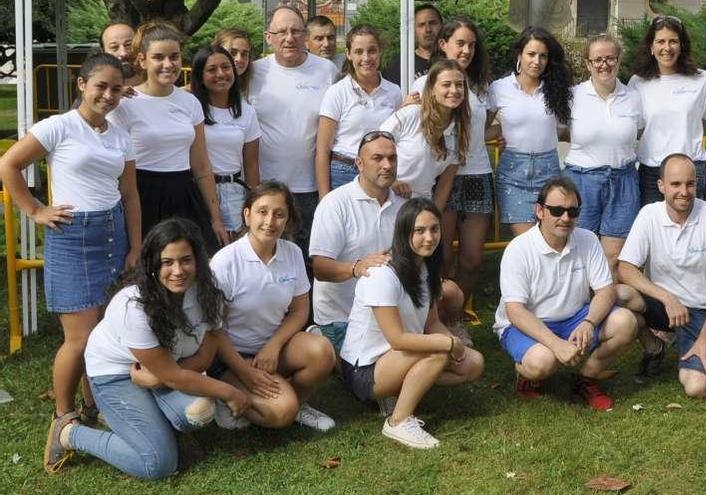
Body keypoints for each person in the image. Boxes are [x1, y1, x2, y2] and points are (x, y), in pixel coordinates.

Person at [0, 54, 142, 448]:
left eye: (116, 88)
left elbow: (129, 194)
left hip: (113, 234)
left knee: (105, 332)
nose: (109, 95)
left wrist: (135, 244)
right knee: (78, 339)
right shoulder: (58, 127)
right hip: (72, 236)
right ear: (81, 84)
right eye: (101, 86)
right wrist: (35, 210)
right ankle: (63, 417)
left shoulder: (118, 134)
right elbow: (8, 164)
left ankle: (95, 405)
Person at [43, 218, 252, 479]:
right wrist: (229, 392)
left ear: (198, 260)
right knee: (157, 464)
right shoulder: (133, 306)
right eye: (167, 262)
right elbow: (174, 375)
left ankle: (160, 428)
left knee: (199, 410)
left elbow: (206, 355)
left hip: (162, 370)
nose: (178, 270)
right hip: (116, 374)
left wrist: (159, 377)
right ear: (153, 264)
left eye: (186, 260)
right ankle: (69, 434)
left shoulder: (207, 292)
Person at [340, 197, 484, 449]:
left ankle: (396, 394)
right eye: (419, 230)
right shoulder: (382, 274)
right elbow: (397, 338)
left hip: (398, 357)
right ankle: (398, 422)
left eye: (434, 229)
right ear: (404, 232)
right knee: (437, 352)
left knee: (473, 364)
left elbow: (432, 323)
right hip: (363, 370)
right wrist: (446, 342)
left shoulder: (425, 267)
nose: (429, 237)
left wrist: (453, 343)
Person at [311, 130, 464, 357]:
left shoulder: (404, 204)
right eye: (378, 158)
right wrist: (356, 267)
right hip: (344, 318)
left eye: (392, 158)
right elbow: (319, 268)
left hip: (393, 306)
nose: (387, 165)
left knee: (452, 293)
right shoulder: (335, 203)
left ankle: (444, 336)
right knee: (415, 359)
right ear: (359, 164)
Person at [493, 177, 638, 411]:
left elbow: (605, 290)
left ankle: (586, 378)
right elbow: (515, 311)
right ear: (539, 211)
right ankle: (526, 374)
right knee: (543, 362)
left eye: (573, 211)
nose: (566, 218)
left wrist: (589, 323)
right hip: (526, 322)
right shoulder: (518, 249)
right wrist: (556, 345)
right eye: (557, 210)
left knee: (626, 322)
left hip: (575, 317)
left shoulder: (588, 239)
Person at [210, 182, 337, 431]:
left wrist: (273, 346)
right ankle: (229, 396)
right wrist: (244, 371)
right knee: (281, 413)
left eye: (279, 214)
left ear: (288, 219)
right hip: (231, 357)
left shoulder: (292, 252)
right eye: (262, 211)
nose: (270, 221)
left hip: (272, 351)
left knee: (322, 352)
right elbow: (213, 329)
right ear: (247, 215)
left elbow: (300, 310)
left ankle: (296, 405)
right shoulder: (225, 262)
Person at [617, 154, 706, 397]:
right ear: (661, 186)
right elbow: (625, 268)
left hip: (699, 310)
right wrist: (667, 298)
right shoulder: (649, 215)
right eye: (675, 184)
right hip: (662, 306)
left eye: (690, 184)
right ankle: (654, 348)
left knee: (696, 388)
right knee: (619, 294)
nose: (684, 191)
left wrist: (705, 336)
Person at [108, 21, 228, 254]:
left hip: (184, 193)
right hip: (140, 196)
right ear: (142, 60)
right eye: (158, 57)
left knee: (193, 268)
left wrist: (215, 218)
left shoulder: (190, 102)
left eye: (174, 57)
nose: (168, 64)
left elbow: (202, 166)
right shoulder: (124, 104)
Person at [412, 17, 494, 324]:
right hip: (441, 175)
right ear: (443, 44)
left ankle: (456, 318)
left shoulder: (479, 85)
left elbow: (476, 129)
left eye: (472, 44)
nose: (467, 50)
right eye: (460, 43)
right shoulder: (424, 83)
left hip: (477, 174)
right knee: (440, 255)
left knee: (472, 259)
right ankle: (436, 318)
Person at [250, 5, 337, 256]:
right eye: (281, 32)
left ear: (305, 36)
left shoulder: (327, 71)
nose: (289, 38)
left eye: (296, 31)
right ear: (268, 37)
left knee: (309, 261)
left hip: (311, 188)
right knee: (268, 258)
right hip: (266, 188)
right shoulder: (254, 73)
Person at [564, 34, 643, 276]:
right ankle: (578, 305)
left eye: (610, 58)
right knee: (579, 247)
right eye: (597, 59)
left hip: (623, 180)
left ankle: (604, 306)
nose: (604, 64)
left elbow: (639, 130)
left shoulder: (634, 97)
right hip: (581, 180)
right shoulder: (572, 96)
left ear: (619, 61)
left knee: (613, 255)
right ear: (588, 63)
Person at [488, 26, 572, 236]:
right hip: (513, 173)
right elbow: (483, 128)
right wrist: (499, 134)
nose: (537, 61)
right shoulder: (499, 88)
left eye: (543, 56)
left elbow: (564, 131)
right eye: (531, 54)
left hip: (549, 170)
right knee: (526, 240)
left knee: (551, 236)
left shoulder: (557, 90)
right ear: (520, 55)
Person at [628, 15, 706, 204]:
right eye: (660, 41)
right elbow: (635, 128)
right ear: (651, 47)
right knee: (653, 229)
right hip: (651, 172)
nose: (667, 48)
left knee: (692, 228)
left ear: (682, 45)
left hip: (691, 170)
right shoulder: (637, 83)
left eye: (673, 41)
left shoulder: (704, 81)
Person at [316, 24, 402, 197]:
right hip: (344, 173)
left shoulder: (394, 92)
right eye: (358, 51)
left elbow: (399, 141)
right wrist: (324, 196)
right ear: (348, 54)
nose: (366, 57)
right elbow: (322, 150)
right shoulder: (337, 92)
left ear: (380, 52)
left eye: (372, 50)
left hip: (381, 173)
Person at [190, 45, 261, 235]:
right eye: (211, 70)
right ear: (200, 76)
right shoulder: (190, 107)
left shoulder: (247, 111)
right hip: (197, 190)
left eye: (226, 67)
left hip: (234, 192)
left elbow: (252, 164)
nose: (221, 74)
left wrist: (255, 202)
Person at [379, 59, 469, 208]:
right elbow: (373, 147)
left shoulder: (459, 131)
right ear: (432, 89)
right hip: (386, 198)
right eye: (446, 85)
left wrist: (435, 218)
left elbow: (444, 186)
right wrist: (391, 180)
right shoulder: (411, 114)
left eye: (459, 85)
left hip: (420, 206)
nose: (454, 90)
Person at [384, 3, 442, 86]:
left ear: (442, 26)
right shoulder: (400, 65)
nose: (428, 29)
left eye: (433, 23)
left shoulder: (451, 59)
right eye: (421, 25)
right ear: (414, 30)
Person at [212, 28, 255, 97]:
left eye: (244, 54)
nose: (239, 59)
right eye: (232, 52)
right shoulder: (195, 95)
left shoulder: (249, 93)